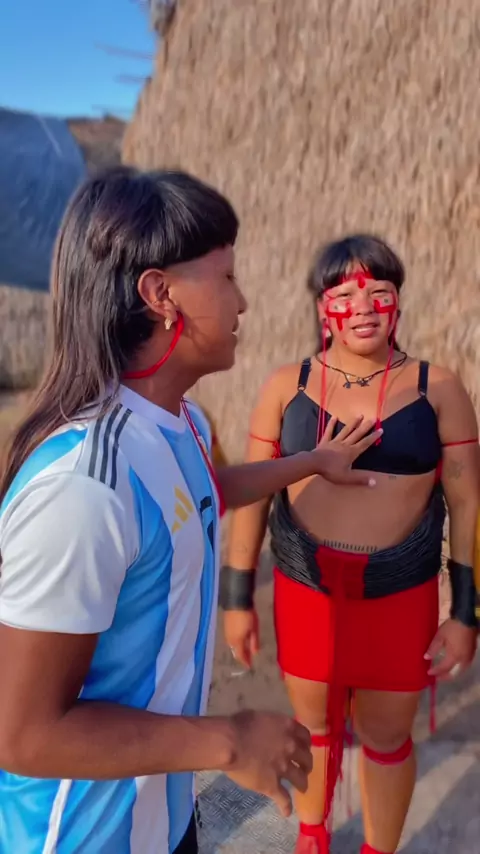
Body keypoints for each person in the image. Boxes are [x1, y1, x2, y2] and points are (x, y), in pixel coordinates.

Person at [0, 170, 383, 854]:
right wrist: (228, 741)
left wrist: (310, 463)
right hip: (81, 838)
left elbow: (200, 492)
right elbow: (25, 735)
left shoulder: (183, 425)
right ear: (160, 295)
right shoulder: (83, 489)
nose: (243, 300)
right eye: (226, 276)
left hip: (167, 822)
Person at [223, 234, 479, 854]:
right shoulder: (285, 386)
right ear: (322, 307)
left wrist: (466, 613)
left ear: (398, 302)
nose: (362, 306)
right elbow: (253, 495)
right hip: (306, 591)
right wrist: (237, 596)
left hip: (401, 598)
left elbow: (469, 504)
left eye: (378, 292)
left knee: (388, 739)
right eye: (345, 294)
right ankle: (313, 836)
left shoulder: (438, 388)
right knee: (312, 725)